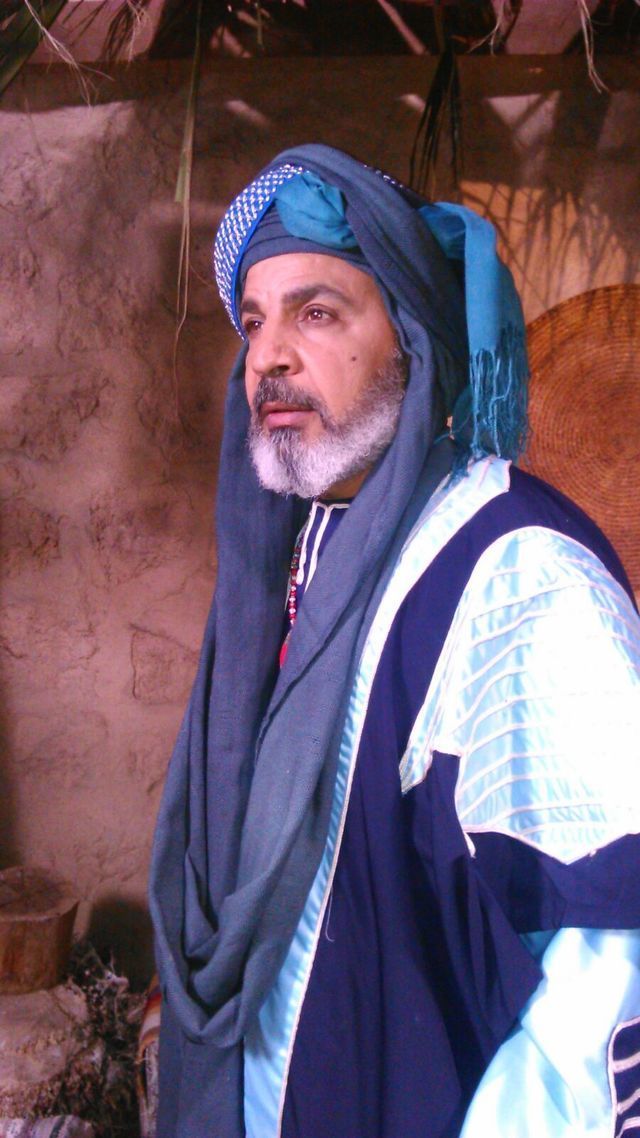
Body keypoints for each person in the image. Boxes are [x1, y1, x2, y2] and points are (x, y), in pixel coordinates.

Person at [149, 144, 640, 1138]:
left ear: (411, 340)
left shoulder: (518, 574)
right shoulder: (295, 559)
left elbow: (607, 963)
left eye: (317, 313)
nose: (268, 356)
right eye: (255, 320)